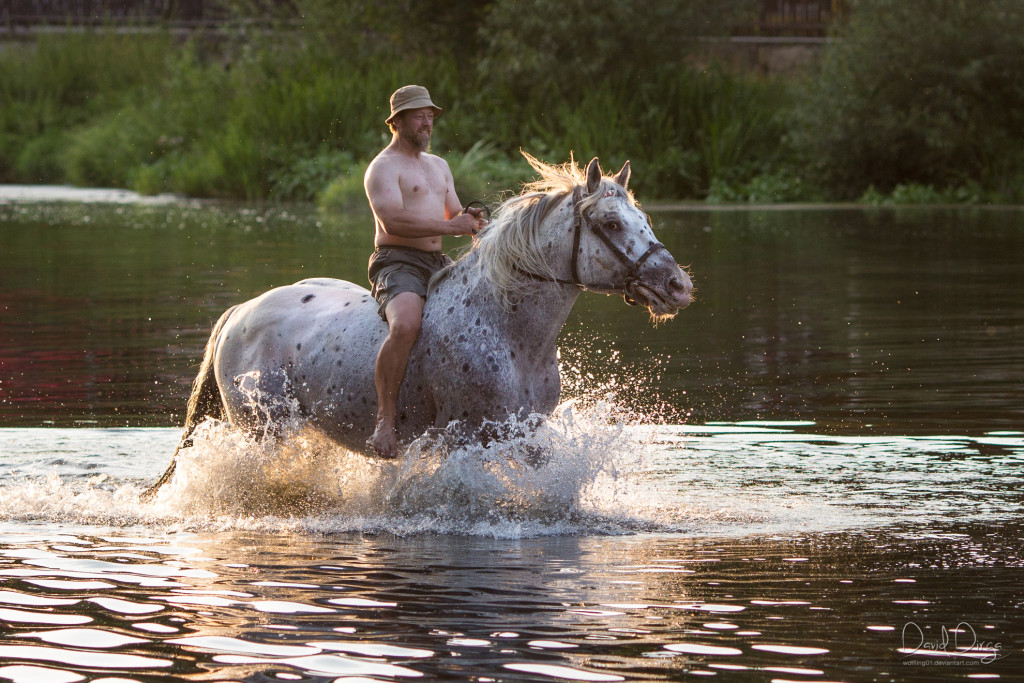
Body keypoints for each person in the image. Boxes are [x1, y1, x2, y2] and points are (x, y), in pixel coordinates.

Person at [363, 85, 484, 459]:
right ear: (397, 121)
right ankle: (385, 419)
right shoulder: (383, 167)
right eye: (419, 115)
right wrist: (453, 227)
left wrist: (475, 221)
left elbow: (454, 213)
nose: (427, 121)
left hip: (437, 263)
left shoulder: (439, 165)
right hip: (397, 261)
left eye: (430, 114)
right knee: (406, 325)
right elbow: (394, 221)